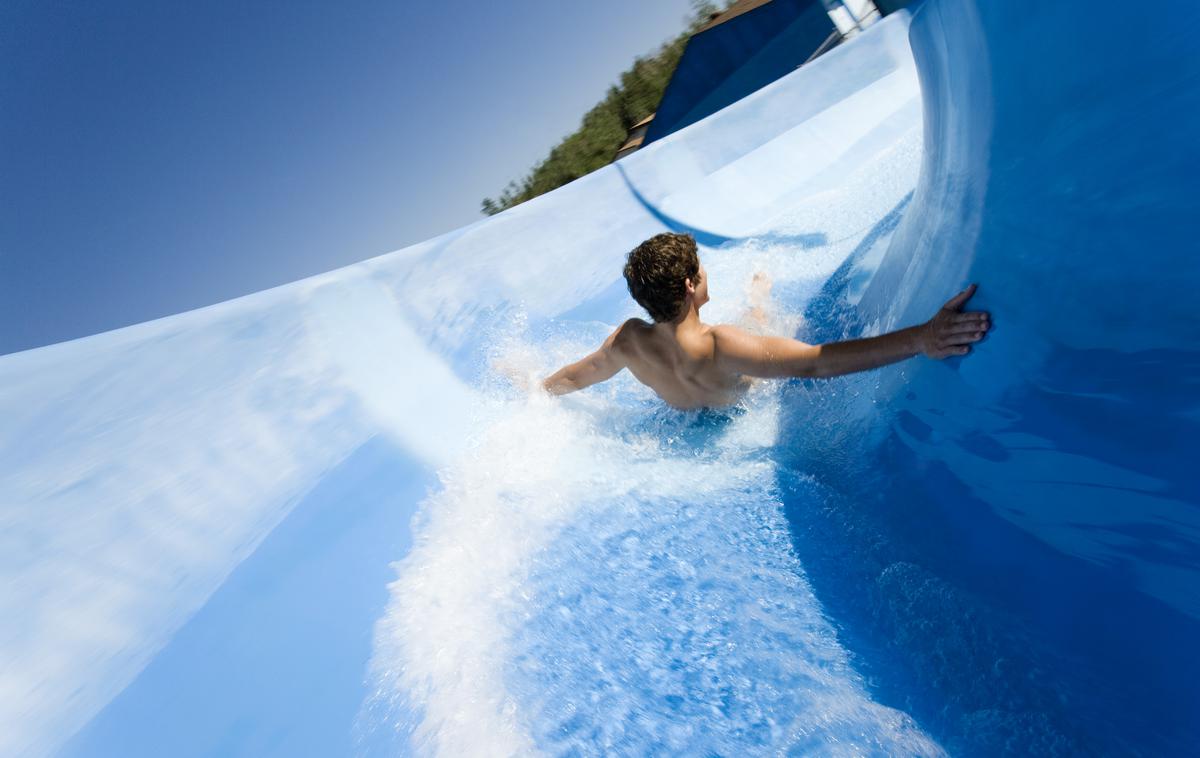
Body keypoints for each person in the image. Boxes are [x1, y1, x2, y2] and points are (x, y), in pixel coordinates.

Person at [541, 232, 991, 410]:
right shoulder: (724, 345)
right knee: (764, 327)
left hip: (687, 417)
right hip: (739, 396)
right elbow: (816, 363)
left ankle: (758, 300)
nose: (704, 273)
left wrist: (537, 392)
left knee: (754, 331)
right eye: (699, 269)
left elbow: (578, 376)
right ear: (688, 286)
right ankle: (759, 299)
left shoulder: (627, 342)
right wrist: (922, 338)